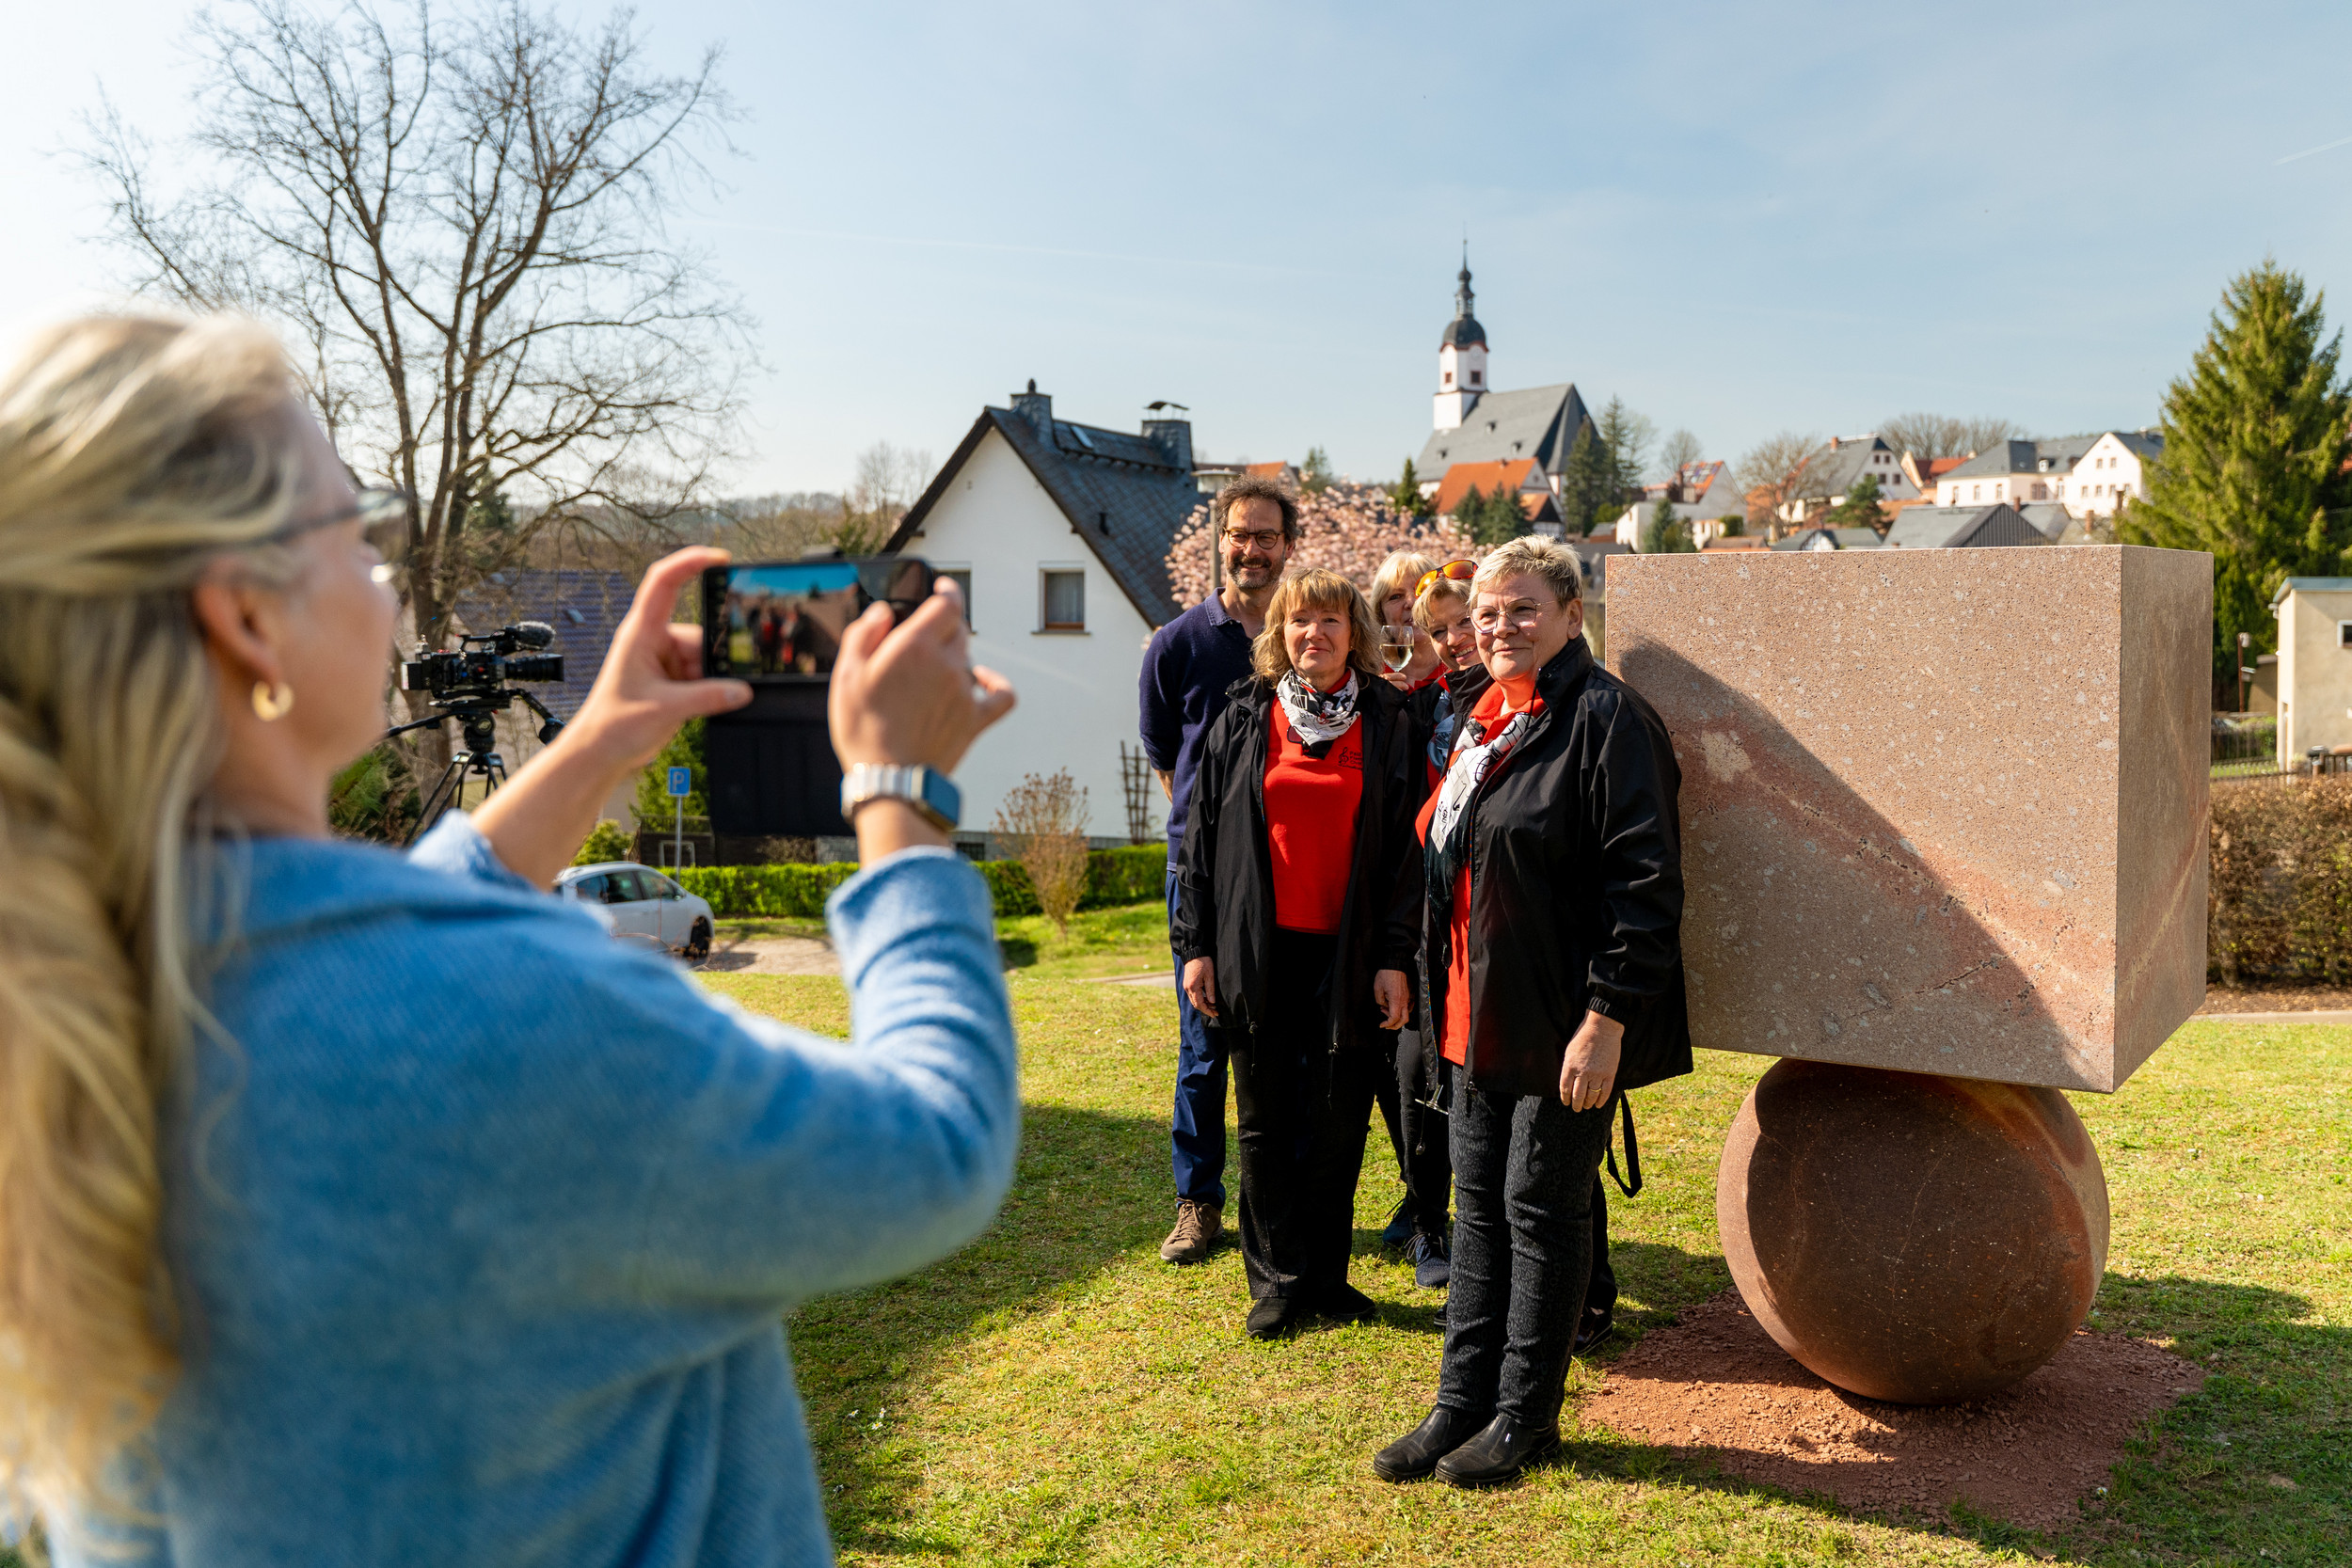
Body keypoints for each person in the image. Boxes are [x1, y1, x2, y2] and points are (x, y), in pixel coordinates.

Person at [0, 311, 1020, 1566]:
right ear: (247, 619)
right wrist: (899, 795)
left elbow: (367, 958)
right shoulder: (522, 1018)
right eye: (353, 528)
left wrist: (595, 746)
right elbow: (933, 1148)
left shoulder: (82, 991)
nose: (385, 571)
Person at [1372, 535, 1690, 1488]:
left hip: (1562, 1024)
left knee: (1539, 1212)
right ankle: (1458, 1401)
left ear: (1570, 616)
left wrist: (1607, 1017)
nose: (1500, 626)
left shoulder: (1607, 719)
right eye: (1486, 613)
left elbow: (1645, 885)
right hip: (1473, 1015)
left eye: (1522, 609)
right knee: (1477, 1212)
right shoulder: (1481, 717)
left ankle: (1523, 1415)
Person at [1169, 569, 1424, 1338]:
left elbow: (1406, 852)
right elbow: (1200, 840)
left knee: (1340, 1120)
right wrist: (1196, 947)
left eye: (1330, 620)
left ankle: (1326, 1276)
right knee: (1265, 1120)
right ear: (1280, 633)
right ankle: (1277, 1280)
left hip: (1351, 955)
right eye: (1299, 620)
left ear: (1356, 632)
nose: (1314, 633)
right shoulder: (1245, 715)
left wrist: (1394, 955)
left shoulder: (1388, 718)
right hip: (1258, 952)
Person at [1136, 475, 1296, 1264]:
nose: (1251, 548)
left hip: (1288, 868)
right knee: (1202, 1042)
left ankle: (1284, 1202)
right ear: (1221, 541)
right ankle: (1197, 1201)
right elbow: (1168, 757)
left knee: (1284, 1041)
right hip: (1200, 874)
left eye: (1266, 535)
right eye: (1240, 533)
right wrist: (1214, 836)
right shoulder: (1177, 644)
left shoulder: (1305, 636)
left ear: (1287, 546)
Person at [1368, 548, 1444, 692]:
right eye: (1396, 596)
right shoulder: (1367, 677)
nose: (1411, 603)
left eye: (1422, 591)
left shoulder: (1463, 667)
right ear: (1380, 613)